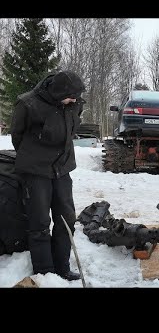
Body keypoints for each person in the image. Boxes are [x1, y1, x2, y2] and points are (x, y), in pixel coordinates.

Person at [10, 70, 86, 281]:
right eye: (71, 96)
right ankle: (45, 273)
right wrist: (34, 157)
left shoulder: (74, 103)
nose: (75, 101)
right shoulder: (28, 104)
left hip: (62, 168)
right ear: (58, 92)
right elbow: (17, 136)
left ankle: (62, 267)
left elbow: (71, 128)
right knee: (40, 221)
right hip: (36, 170)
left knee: (66, 218)